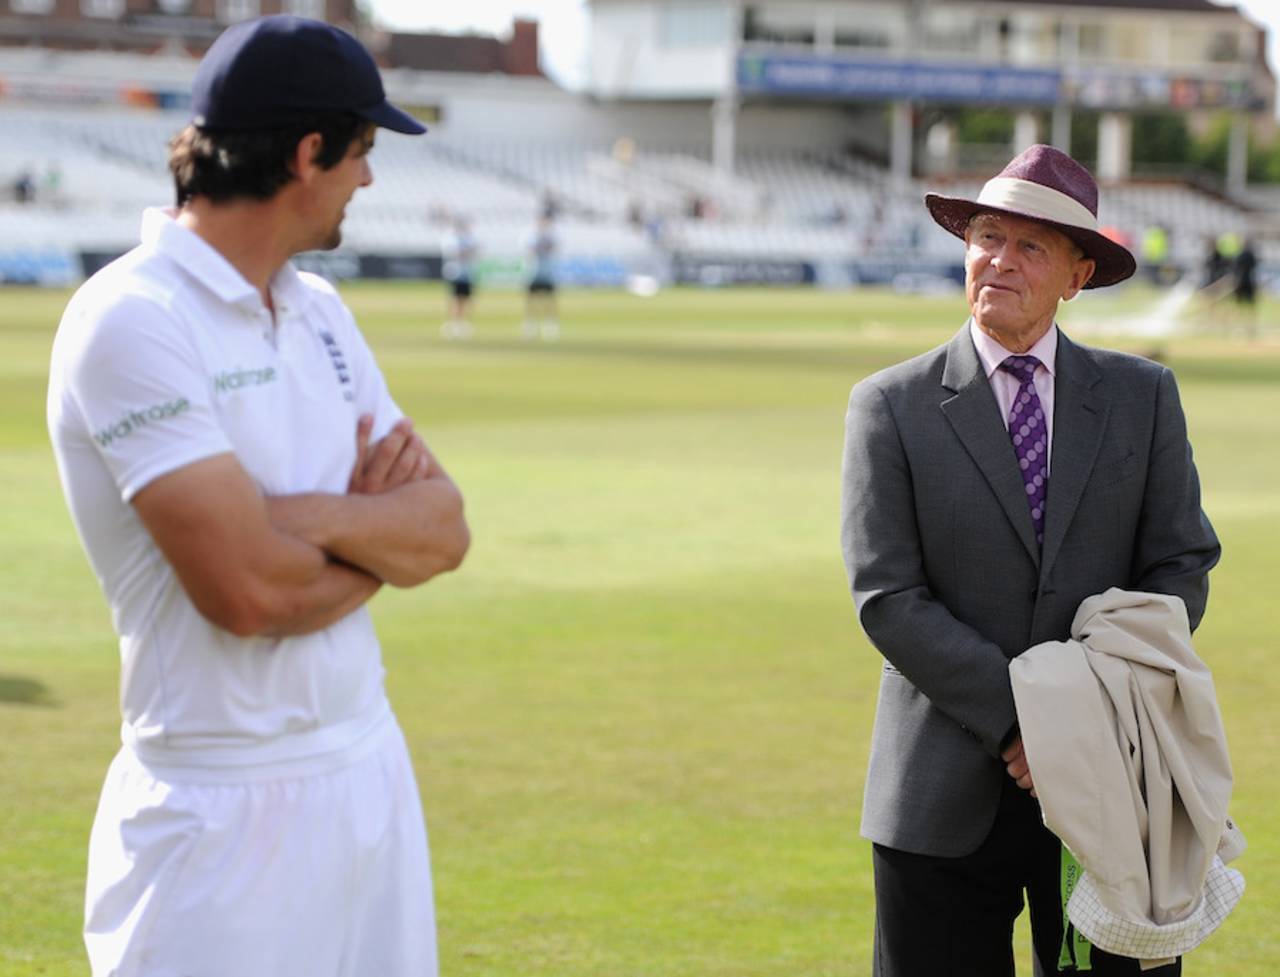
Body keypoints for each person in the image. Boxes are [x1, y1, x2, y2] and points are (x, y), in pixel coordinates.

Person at [46, 16, 469, 977]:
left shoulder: (318, 308)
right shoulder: (131, 318)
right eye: (363, 151)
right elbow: (248, 595)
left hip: (367, 768)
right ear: (309, 153)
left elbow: (443, 530)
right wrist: (374, 538)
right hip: (213, 806)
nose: (369, 178)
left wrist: (298, 520)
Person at [840, 144, 1220, 977]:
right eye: (985, 237)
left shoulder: (1141, 396)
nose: (999, 260)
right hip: (938, 794)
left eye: (1030, 247)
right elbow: (887, 595)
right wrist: (1027, 722)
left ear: (1077, 276)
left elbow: (1180, 566)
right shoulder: (889, 406)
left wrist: (1079, 713)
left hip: (1113, 789)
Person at [522, 214, 560, 340]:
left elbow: (554, 248)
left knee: (550, 300)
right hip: (534, 272)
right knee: (531, 299)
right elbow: (529, 250)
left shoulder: (551, 236)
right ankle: (530, 323)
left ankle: (550, 324)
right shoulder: (531, 236)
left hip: (548, 272)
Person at [441, 215, 478, 339]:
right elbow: (453, 252)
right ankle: (454, 323)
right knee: (455, 299)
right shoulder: (451, 238)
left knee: (467, 299)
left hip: (468, 272)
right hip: (455, 272)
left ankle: (464, 323)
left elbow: (474, 252)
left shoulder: (470, 237)